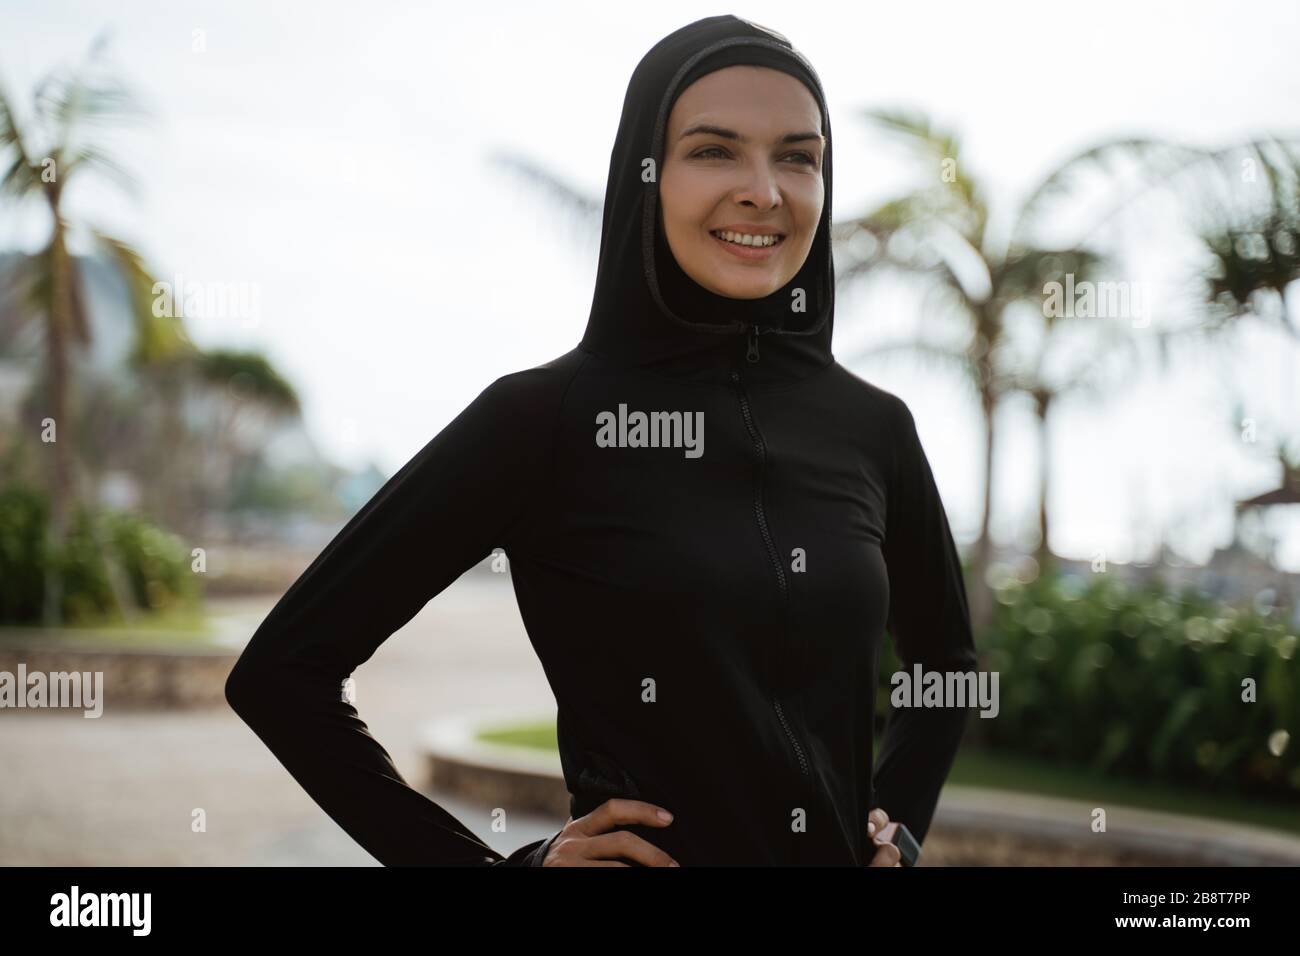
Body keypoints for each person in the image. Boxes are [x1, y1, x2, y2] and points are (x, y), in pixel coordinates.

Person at [225, 13, 978, 867]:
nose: (764, 190)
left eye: (798, 156)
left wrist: (898, 830)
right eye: (713, 150)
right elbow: (283, 676)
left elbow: (947, 663)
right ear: (646, 176)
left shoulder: (875, 428)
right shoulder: (543, 419)